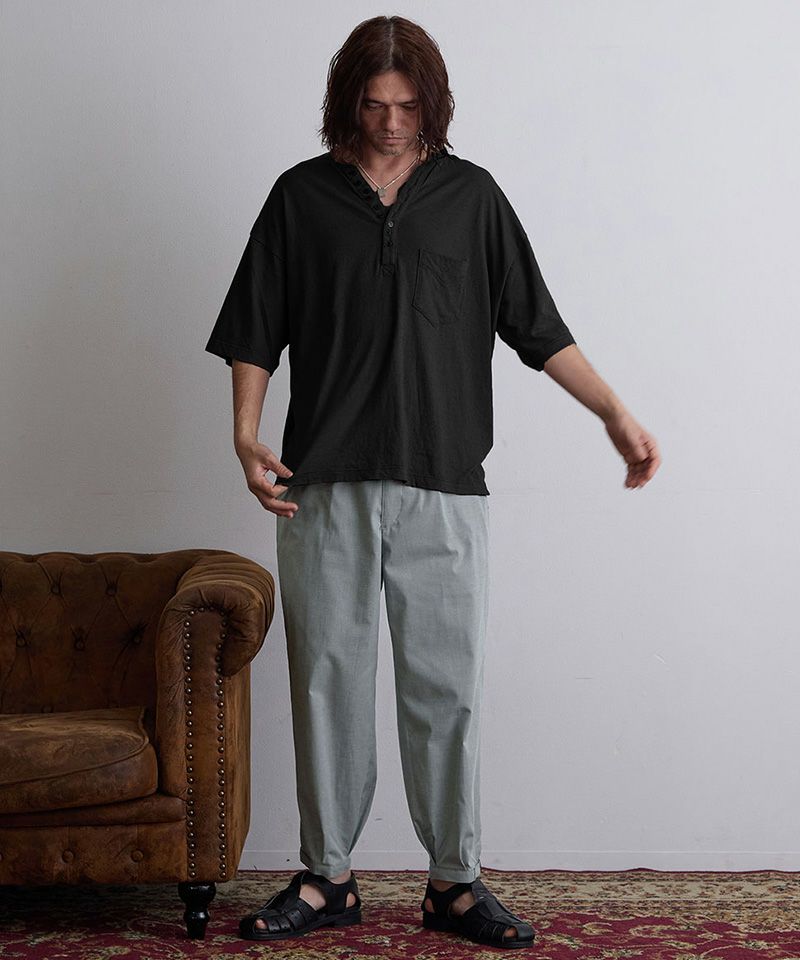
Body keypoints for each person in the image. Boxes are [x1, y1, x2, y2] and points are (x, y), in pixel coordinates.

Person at [205, 14, 661, 950]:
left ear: (433, 104)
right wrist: (245, 433)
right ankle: (328, 878)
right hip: (322, 481)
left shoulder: (472, 198)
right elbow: (255, 324)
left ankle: (454, 882)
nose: (390, 122)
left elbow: (538, 327)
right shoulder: (300, 198)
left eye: (408, 106)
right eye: (374, 105)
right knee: (326, 681)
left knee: (446, 688)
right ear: (348, 101)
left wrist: (613, 413)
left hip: (446, 483)